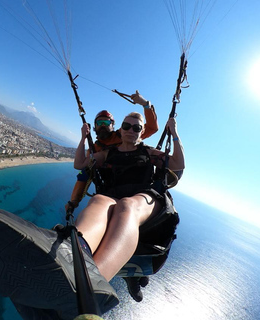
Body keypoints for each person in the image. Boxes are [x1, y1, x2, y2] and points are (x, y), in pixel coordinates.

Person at [73, 111, 185, 285]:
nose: (130, 130)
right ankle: (75, 253)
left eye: (136, 128)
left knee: (127, 206)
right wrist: (83, 137)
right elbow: (79, 164)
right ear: (121, 129)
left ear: (141, 132)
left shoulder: (148, 152)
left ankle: (93, 282)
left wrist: (174, 133)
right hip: (114, 198)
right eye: (126, 126)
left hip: (144, 199)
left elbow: (178, 164)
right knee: (98, 201)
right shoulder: (107, 154)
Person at [67, 90, 158, 210]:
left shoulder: (126, 133)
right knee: (85, 171)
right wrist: (73, 202)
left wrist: (145, 104)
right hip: (111, 190)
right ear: (94, 126)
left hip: (137, 188)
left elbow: (151, 127)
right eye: (100, 122)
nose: (103, 125)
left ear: (113, 125)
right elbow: (82, 174)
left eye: (106, 122)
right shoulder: (95, 150)